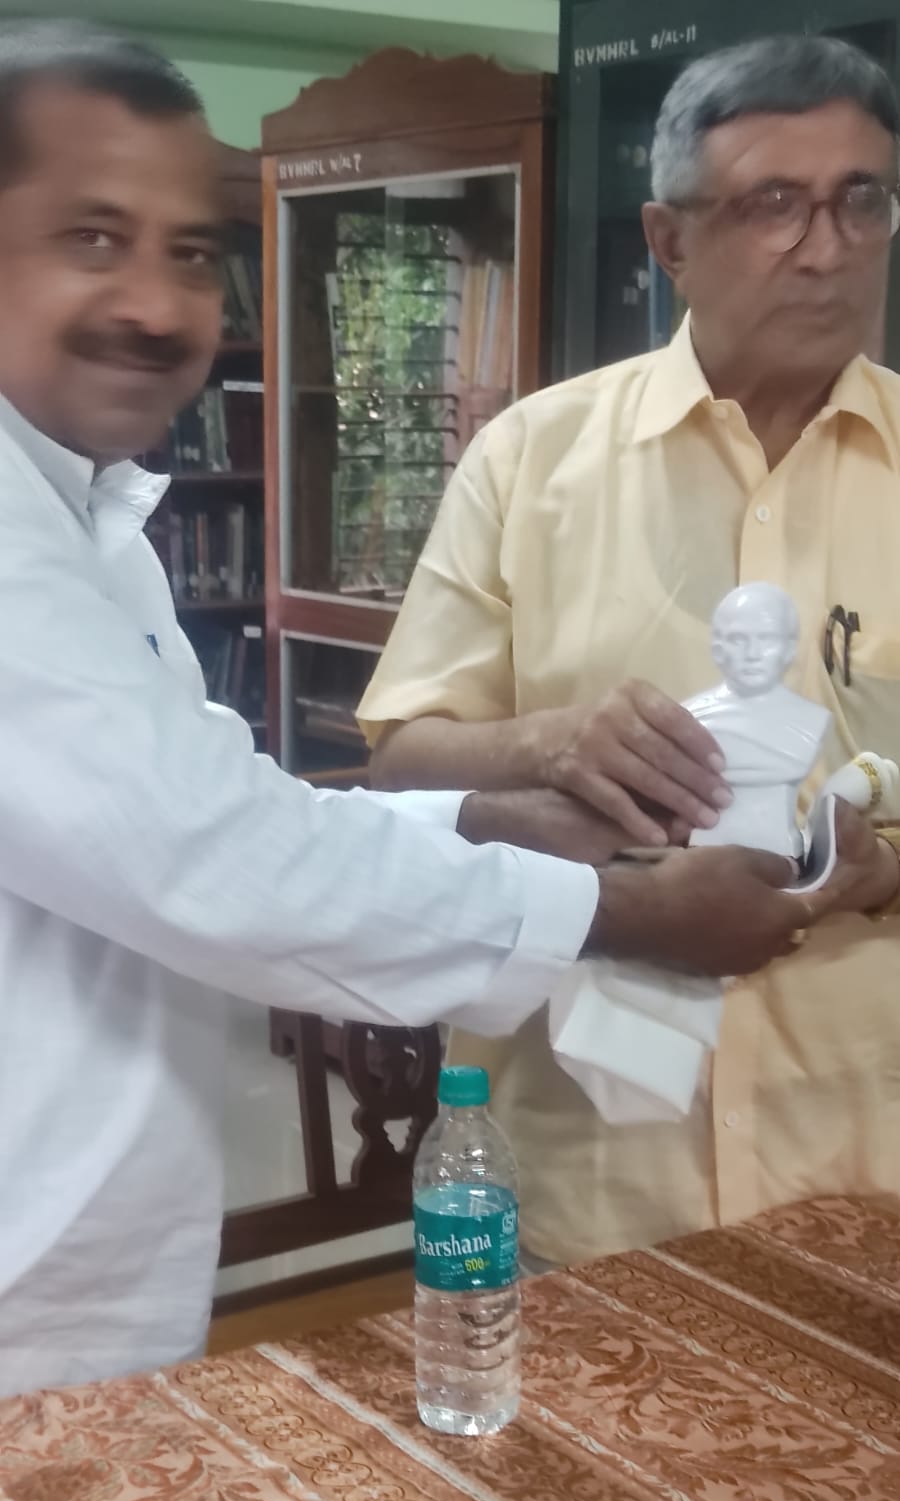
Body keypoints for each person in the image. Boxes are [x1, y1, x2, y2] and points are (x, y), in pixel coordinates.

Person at [0, 21, 820, 1398]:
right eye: (91, 237)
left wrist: (499, 821)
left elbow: (230, 805)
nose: (155, 302)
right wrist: (622, 907)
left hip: (89, 1288)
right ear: (668, 237)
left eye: (192, 251)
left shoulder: (94, 521)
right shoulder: (533, 454)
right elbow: (218, 858)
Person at [360, 33, 900, 1268]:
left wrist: (878, 869)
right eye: (774, 203)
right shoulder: (532, 459)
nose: (827, 248)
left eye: (861, 199)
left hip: (868, 1163)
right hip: (594, 1176)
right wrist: (550, 746)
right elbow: (402, 766)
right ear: (668, 240)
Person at [685, 582, 830, 855]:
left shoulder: (811, 721)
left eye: (767, 639)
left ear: (789, 648)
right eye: (738, 639)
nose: (752, 654)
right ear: (718, 649)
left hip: (780, 845)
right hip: (705, 847)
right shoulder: (692, 718)